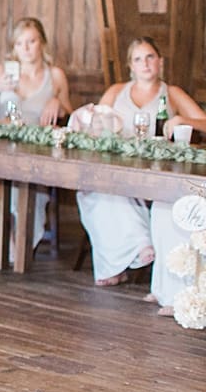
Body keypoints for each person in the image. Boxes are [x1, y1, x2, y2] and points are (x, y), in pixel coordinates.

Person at [77, 37, 206, 293]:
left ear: (160, 62)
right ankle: (129, 253)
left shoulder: (171, 93)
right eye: (138, 59)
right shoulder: (116, 91)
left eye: (150, 57)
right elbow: (96, 127)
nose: (145, 64)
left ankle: (140, 248)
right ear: (130, 66)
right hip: (118, 166)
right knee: (96, 190)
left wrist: (182, 118)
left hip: (155, 169)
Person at [0, 17, 72, 256]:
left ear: (42, 42)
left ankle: (20, 246)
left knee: (29, 194)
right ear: (13, 47)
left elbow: (70, 116)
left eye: (31, 41)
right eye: (20, 43)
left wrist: (57, 102)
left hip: (35, 153)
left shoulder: (55, 76)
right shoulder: (0, 72)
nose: (26, 48)